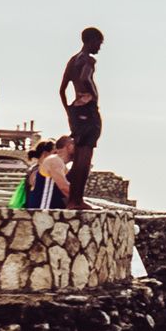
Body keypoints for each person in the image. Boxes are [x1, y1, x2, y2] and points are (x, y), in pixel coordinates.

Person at [58, 27, 103, 209]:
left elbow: (62, 90)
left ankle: (73, 200)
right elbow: (85, 77)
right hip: (88, 111)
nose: (99, 47)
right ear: (91, 40)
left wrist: (69, 110)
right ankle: (77, 200)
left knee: (79, 157)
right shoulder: (88, 60)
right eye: (99, 43)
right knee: (85, 157)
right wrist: (92, 94)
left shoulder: (72, 61)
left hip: (76, 112)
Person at [30, 137, 73, 211]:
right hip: (44, 212)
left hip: (53, 213)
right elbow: (64, 188)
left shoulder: (63, 167)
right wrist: (80, 202)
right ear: (69, 146)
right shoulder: (54, 160)